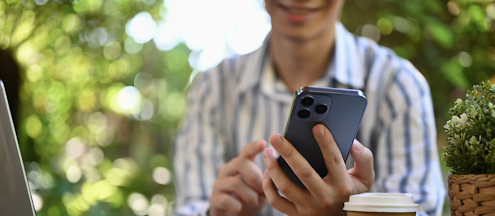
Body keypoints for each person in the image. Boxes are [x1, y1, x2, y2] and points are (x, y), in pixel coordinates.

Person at [173, 0, 446, 215]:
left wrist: (348, 215)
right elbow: (190, 207)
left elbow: (420, 210)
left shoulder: (397, 85)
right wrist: (217, 214)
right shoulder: (212, 89)